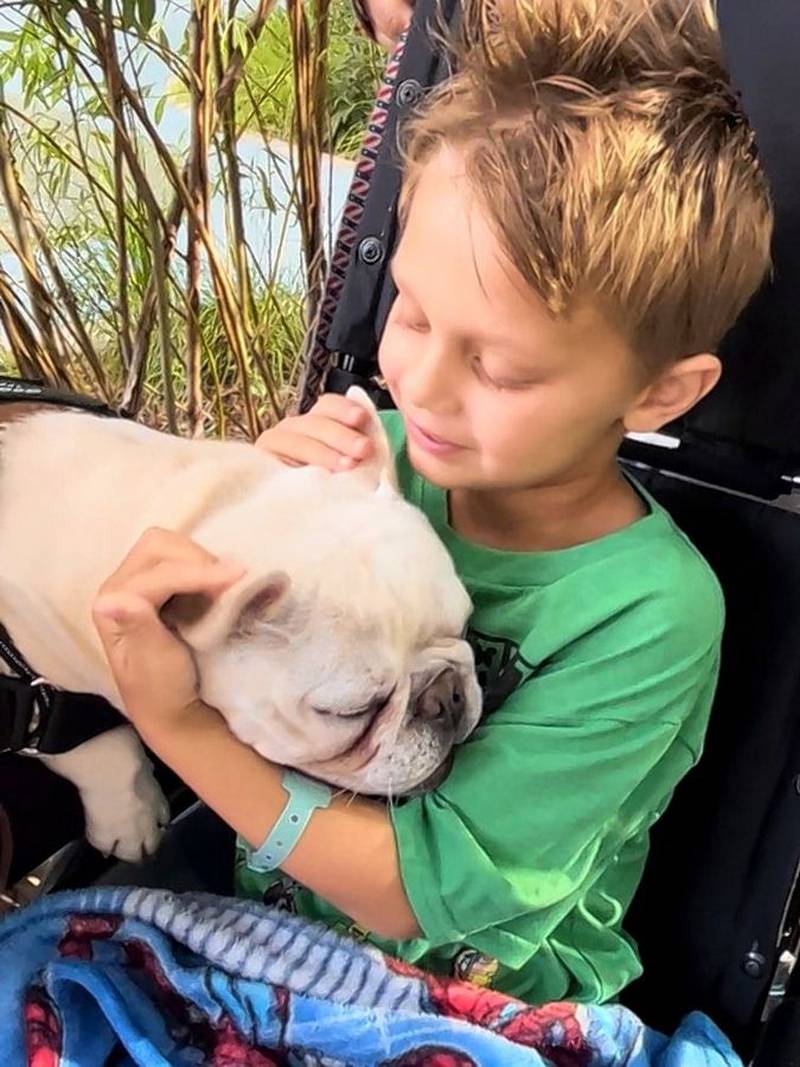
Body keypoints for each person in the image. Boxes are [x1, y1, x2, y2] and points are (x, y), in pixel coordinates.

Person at [92, 0, 773, 1006]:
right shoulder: (376, 459)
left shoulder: (648, 614)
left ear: (655, 394)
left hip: (474, 987)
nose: (418, 383)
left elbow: (424, 889)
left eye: (497, 369)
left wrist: (176, 723)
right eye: (409, 311)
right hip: (259, 916)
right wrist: (245, 514)